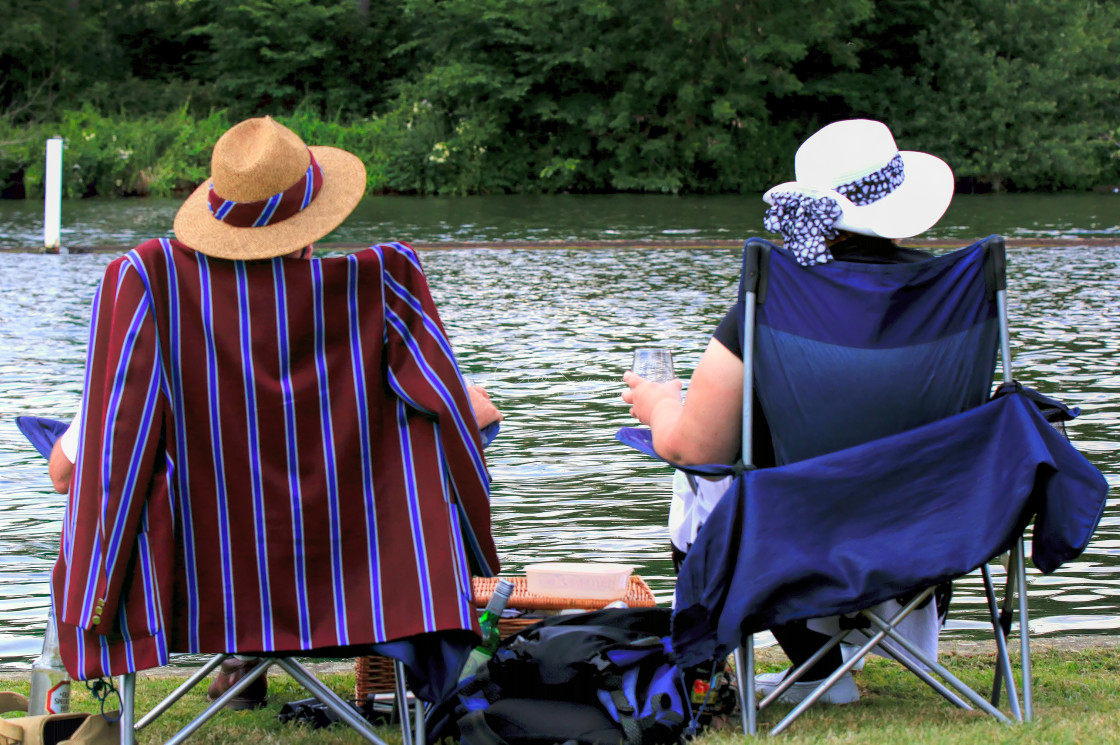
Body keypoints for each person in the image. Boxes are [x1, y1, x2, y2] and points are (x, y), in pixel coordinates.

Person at [50, 116, 504, 707]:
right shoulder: (378, 290)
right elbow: (455, 412)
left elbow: (81, 470)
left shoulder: (154, 292)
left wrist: (95, 596)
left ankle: (240, 660)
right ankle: (372, 653)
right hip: (362, 582)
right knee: (463, 420)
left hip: (204, 587)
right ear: (311, 226)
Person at [623, 119, 956, 705]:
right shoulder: (954, 294)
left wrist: (659, 407)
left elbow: (697, 449)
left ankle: (816, 666)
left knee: (698, 485)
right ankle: (836, 665)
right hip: (934, 523)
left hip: (800, 531)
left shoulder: (775, 296)